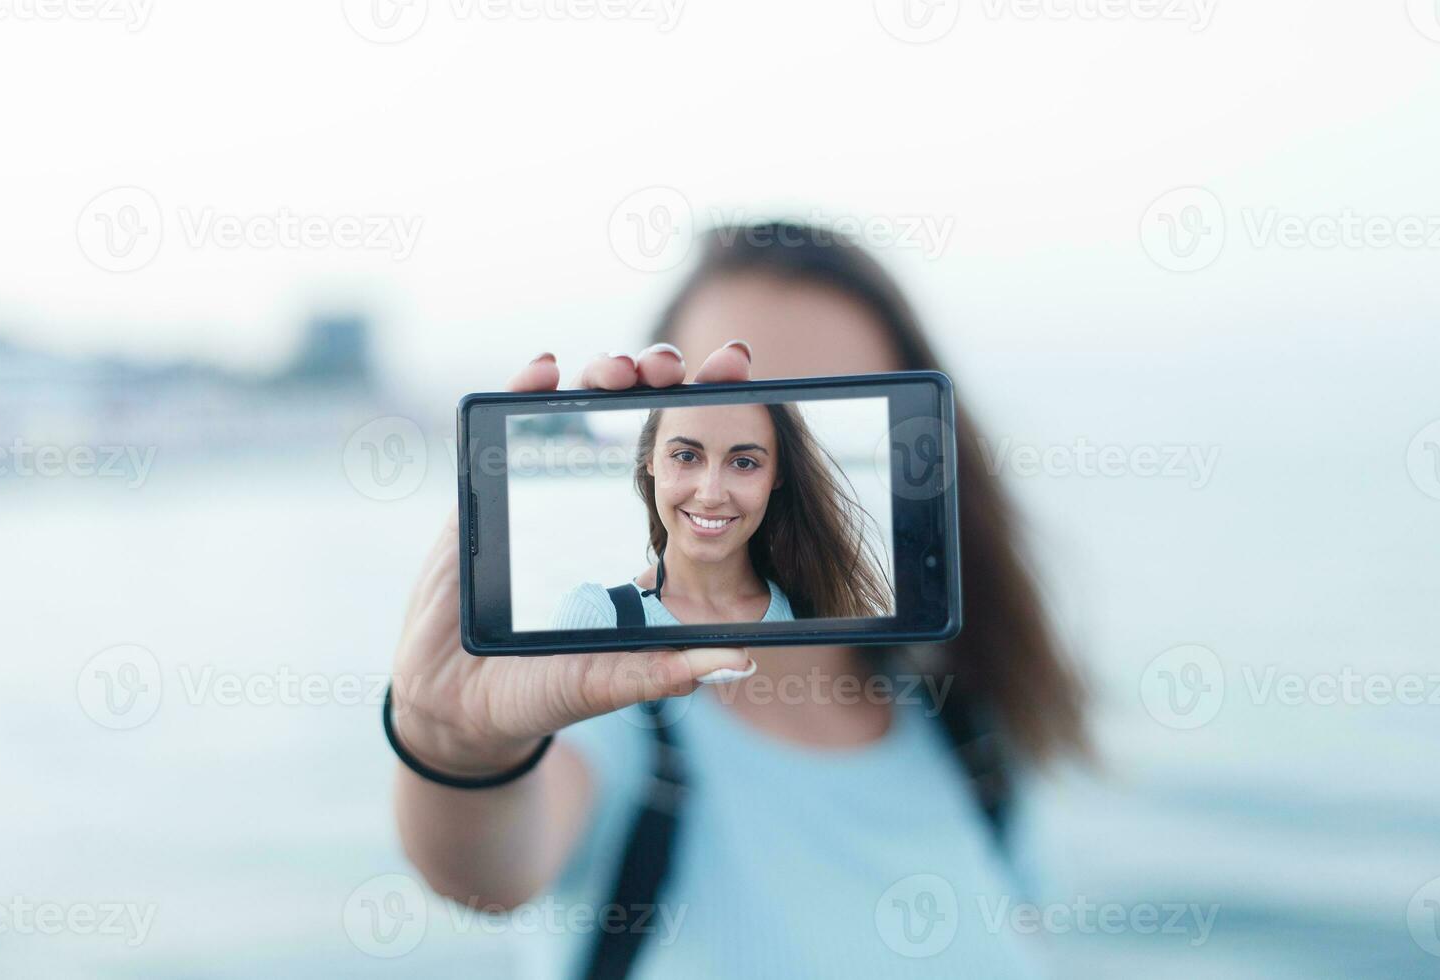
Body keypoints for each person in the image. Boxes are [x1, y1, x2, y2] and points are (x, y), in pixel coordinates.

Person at [389, 223, 1087, 978]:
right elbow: (489, 874)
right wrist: (458, 750)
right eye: (693, 441)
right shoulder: (609, 672)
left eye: (790, 415)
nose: (714, 484)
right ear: (651, 450)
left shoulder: (964, 727)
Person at [548, 401, 893, 633]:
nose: (710, 495)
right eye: (685, 456)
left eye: (744, 462)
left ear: (778, 475)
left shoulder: (821, 616)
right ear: (650, 460)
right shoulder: (597, 617)